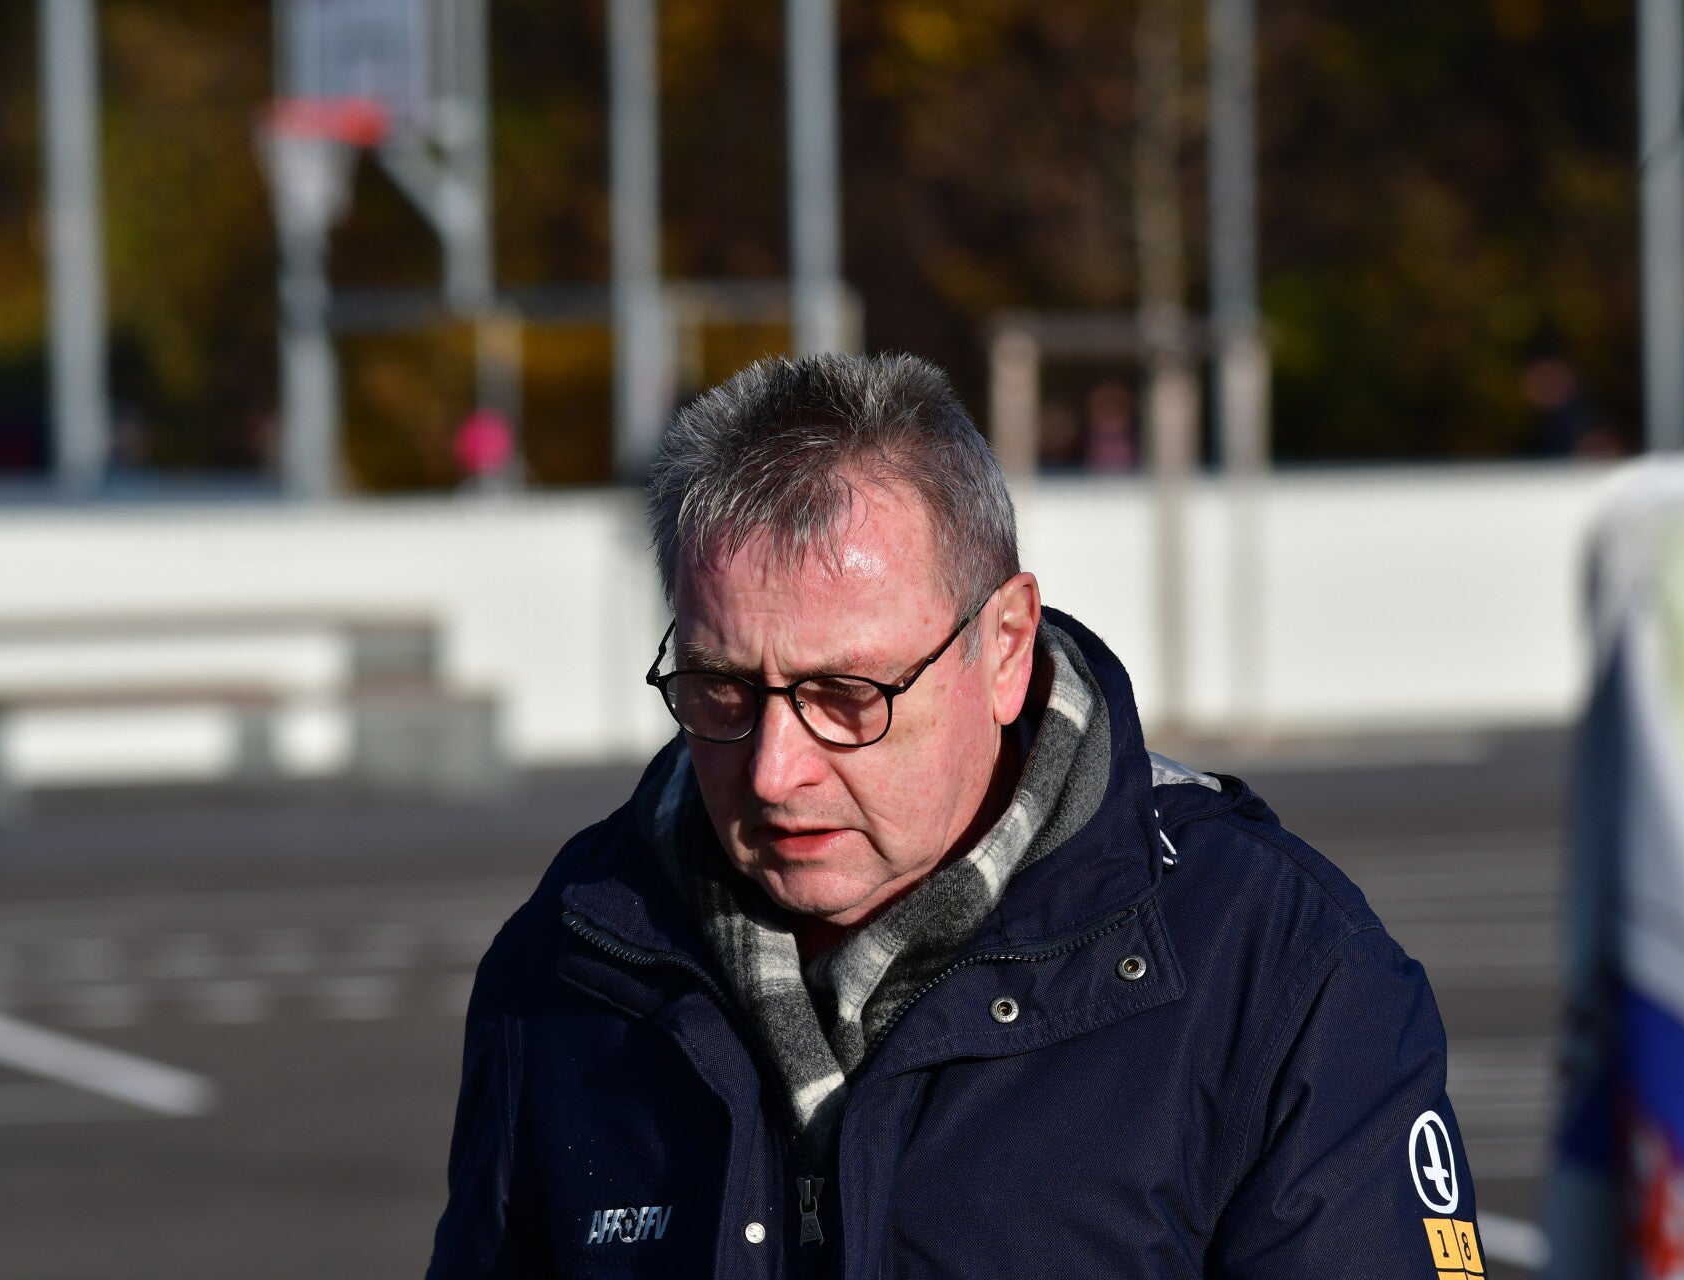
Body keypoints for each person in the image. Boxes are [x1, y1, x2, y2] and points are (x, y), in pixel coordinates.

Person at [426, 353, 1480, 1278]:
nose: (777, 770)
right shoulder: (572, 959)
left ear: (1006, 646)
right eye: (721, 689)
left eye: (849, 694)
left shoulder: (1276, 967)